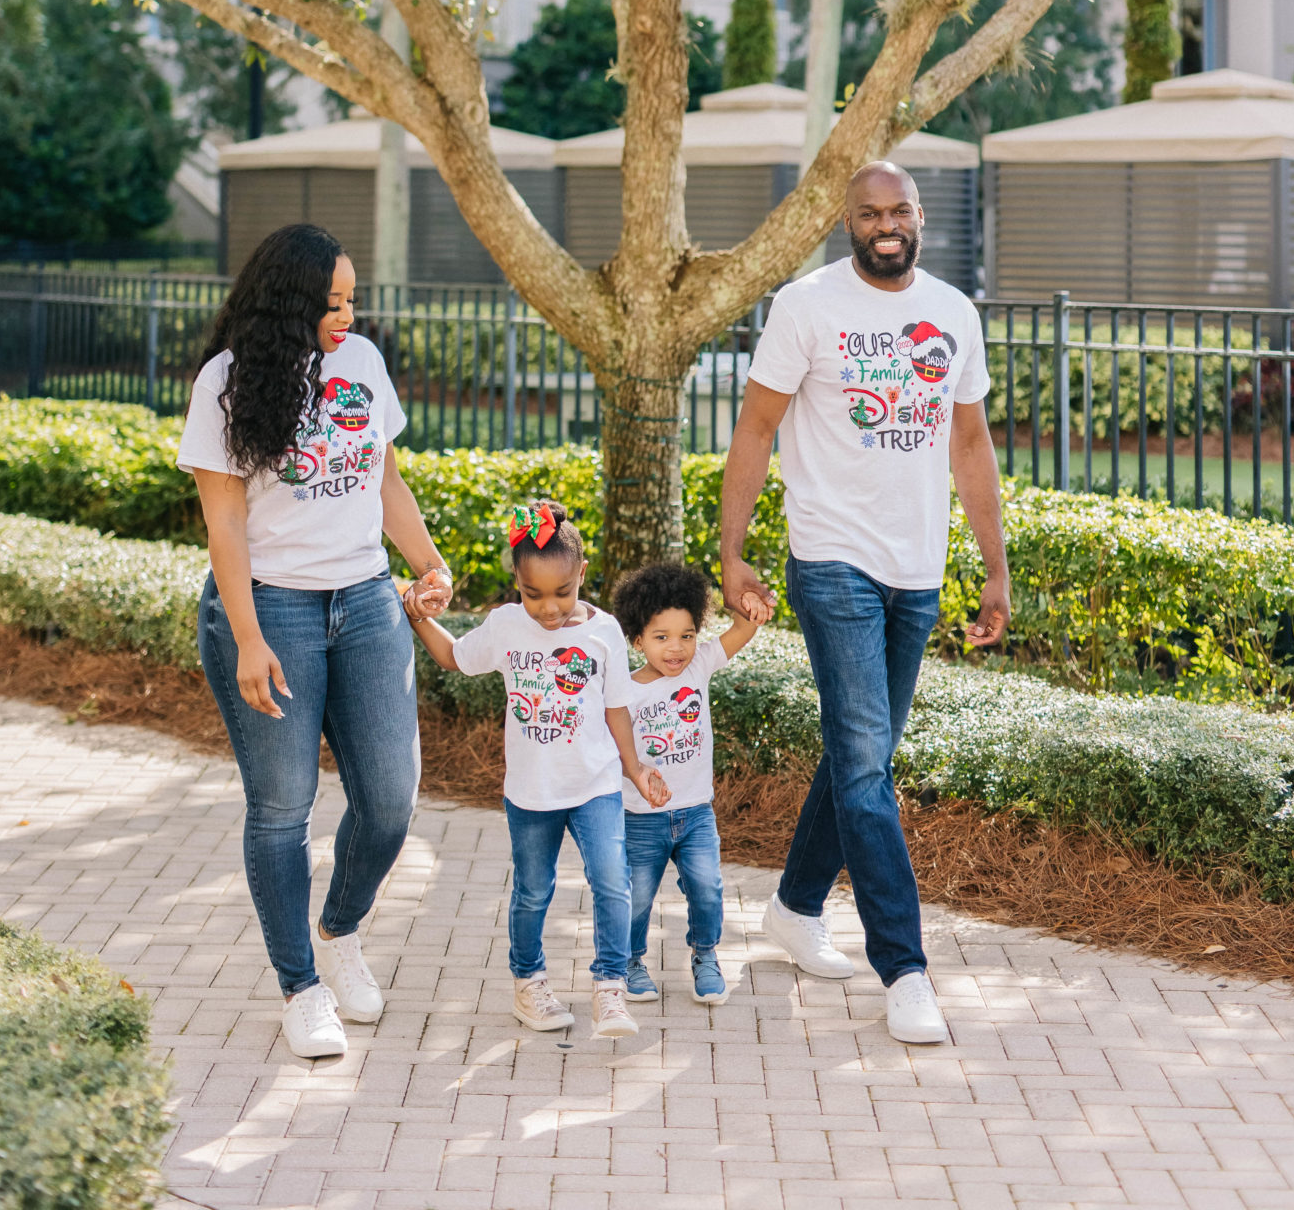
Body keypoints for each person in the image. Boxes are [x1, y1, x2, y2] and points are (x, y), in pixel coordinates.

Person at [719, 162, 1010, 1046]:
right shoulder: (808, 306)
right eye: (870, 212)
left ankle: (795, 906)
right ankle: (906, 968)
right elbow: (756, 427)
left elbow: (970, 444)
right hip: (831, 560)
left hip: (917, 568)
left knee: (863, 755)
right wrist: (731, 551)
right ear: (847, 221)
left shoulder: (953, 313)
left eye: (900, 211)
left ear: (920, 217)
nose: (887, 224)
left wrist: (995, 568)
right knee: (864, 769)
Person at [178, 222, 453, 1061]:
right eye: (330, 302)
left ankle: (338, 931)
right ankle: (300, 988)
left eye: (351, 300)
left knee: (391, 799)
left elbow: (383, 477)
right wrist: (248, 637)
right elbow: (225, 525)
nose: (346, 315)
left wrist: (429, 562)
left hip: (366, 601)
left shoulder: (361, 362)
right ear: (287, 302)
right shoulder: (227, 382)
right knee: (282, 808)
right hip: (273, 609)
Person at [405, 499, 669, 1038]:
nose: (549, 609)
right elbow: (455, 658)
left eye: (562, 593)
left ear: (582, 575)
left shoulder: (604, 632)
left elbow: (617, 708)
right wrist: (418, 618)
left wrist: (635, 769)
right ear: (517, 585)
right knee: (532, 890)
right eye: (533, 594)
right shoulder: (506, 626)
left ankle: (610, 988)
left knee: (612, 881)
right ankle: (529, 983)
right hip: (531, 792)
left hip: (595, 785)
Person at [610, 561, 769, 1005]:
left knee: (707, 888)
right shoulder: (625, 691)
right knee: (637, 896)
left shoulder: (699, 666)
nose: (676, 648)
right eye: (661, 637)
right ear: (638, 640)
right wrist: (637, 774)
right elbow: (616, 751)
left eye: (686, 635)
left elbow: (742, 630)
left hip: (697, 812)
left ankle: (705, 954)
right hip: (642, 818)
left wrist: (748, 603)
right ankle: (630, 961)